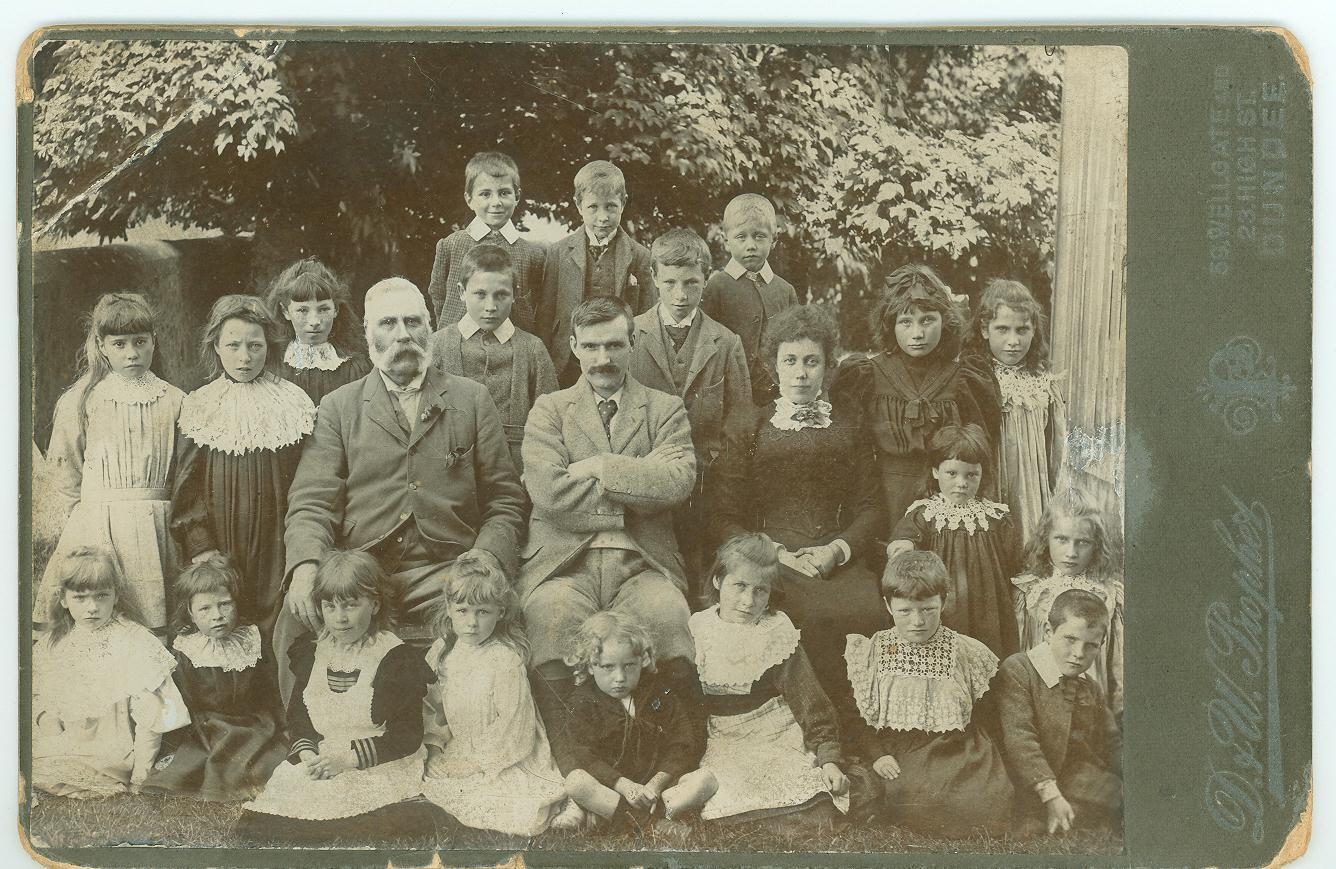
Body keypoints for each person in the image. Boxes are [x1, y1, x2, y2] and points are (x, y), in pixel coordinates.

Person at [277, 276, 525, 704]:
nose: (403, 334)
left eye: (413, 322)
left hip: (448, 565)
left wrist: (485, 558)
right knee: (295, 617)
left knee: (510, 616)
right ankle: (306, 737)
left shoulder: (471, 398)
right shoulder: (340, 406)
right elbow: (311, 501)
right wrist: (305, 566)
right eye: (388, 323)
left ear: (430, 328)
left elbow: (505, 498)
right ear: (368, 334)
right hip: (364, 569)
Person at [709, 304, 887, 707]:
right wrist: (776, 556)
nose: (801, 373)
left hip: (834, 554)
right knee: (800, 616)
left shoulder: (849, 420)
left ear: (827, 366)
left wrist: (836, 551)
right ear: (773, 366)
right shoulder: (749, 424)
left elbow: (872, 507)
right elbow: (723, 516)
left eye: (812, 361)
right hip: (771, 558)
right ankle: (806, 724)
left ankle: (860, 728)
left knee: (867, 610)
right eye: (790, 361)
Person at [520, 295, 697, 693]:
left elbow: (678, 482)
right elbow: (548, 492)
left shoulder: (664, 409)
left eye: (615, 345)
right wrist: (640, 480)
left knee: (668, 615)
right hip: (563, 565)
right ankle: (574, 751)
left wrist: (599, 466)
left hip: (643, 563)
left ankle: (667, 743)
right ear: (574, 347)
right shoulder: (549, 409)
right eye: (591, 346)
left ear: (632, 344)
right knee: (546, 619)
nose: (603, 358)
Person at [237, 550, 436, 844]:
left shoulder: (394, 658)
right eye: (329, 606)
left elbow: (406, 735)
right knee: (267, 822)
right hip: (323, 754)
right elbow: (299, 714)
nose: (339, 619)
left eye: (351, 606)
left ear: (375, 604)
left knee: (354, 824)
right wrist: (308, 755)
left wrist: (346, 761)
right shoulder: (313, 652)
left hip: (377, 760)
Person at [691, 534, 868, 827]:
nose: (748, 601)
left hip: (774, 732)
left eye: (760, 591)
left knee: (812, 801)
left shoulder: (775, 632)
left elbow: (810, 700)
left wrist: (828, 757)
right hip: (724, 737)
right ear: (717, 582)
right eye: (740, 586)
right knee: (727, 794)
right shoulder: (699, 627)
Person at [34, 292, 185, 634]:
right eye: (119, 344)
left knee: (152, 627)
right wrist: (84, 517)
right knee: (97, 620)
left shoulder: (175, 400)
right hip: (97, 525)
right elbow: (65, 469)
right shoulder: (82, 399)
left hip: (155, 526)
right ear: (102, 346)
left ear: (153, 341)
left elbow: (183, 469)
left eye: (140, 342)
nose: (131, 353)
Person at [172, 295, 316, 635]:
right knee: (227, 614)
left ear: (270, 346)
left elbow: (308, 478)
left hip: (277, 538)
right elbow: (187, 486)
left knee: (278, 621)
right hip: (220, 541)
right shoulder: (201, 404)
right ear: (216, 347)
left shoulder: (292, 401)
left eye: (255, 345)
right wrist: (201, 544)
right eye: (233, 345)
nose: (245, 357)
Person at [843, 550, 1013, 836]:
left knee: (988, 796)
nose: (917, 621)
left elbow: (987, 711)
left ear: (943, 602)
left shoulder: (965, 650)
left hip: (956, 746)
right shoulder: (876, 650)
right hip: (901, 749)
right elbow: (857, 713)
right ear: (888, 606)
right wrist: (877, 755)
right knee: (911, 793)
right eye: (905, 611)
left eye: (927, 610)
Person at [628, 228, 751, 588]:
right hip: (647, 479)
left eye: (691, 283)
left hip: (705, 483)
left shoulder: (726, 342)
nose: (680, 295)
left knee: (703, 574)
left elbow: (740, 421)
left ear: (705, 279)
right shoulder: (630, 336)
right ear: (653, 279)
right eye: (670, 283)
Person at [420, 555, 572, 836]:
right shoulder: (442, 653)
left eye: (482, 612)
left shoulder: (505, 659)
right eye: (463, 610)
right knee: (437, 781)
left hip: (506, 752)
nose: (472, 623)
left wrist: (476, 763)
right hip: (459, 744)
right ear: (449, 609)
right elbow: (433, 710)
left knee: (507, 804)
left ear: (500, 612)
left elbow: (515, 727)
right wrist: (434, 749)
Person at [836, 263, 996, 526]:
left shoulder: (966, 378)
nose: (917, 334)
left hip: (946, 499)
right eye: (906, 322)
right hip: (884, 498)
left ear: (944, 321)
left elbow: (979, 449)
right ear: (890, 325)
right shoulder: (866, 375)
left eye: (927, 320)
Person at [32, 546, 190, 798]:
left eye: (101, 596)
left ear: (116, 596)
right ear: (63, 599)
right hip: (66, 735)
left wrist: (141, 772)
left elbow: (150, 711)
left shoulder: (134, 639)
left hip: (114, 744)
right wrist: (48, 721)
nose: (92, 607)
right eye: (80, 598)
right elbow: (40, 694)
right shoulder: (57, 640)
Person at [141, 555, 286, 801]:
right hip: (208, 726)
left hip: (252, 721)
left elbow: (271, 690)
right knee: (201, 759)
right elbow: (182, 701)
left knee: (269, 758)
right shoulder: (187, 651)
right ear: (191, 612)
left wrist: (281, 724)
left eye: (225, 604)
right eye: (205, 608)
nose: (217, 615)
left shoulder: (252, 640)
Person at [554, 611, 715, 830]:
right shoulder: (582, 702)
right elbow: (585, 756)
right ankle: (652, 825)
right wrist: (625, 786)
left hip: (656, 789)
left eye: (629, 665)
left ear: (643, 660)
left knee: (706, 780)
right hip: (614, 788)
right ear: (591, 666)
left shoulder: (660, 692)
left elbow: (682, 742)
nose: (619, 677)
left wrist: (654, 786)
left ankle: (618, 818)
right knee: (577, 782)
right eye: (608, 667)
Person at [886, 423, 1021, 658]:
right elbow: (905, 541)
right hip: (944, 607)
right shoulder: (925, 514)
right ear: (935, 471)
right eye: (952, 473)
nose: (962, 483)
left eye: (971, 475)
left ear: (982, 475)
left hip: (988, 606)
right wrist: (904, 547)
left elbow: (1013, 561)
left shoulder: (996, 517)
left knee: (986, 655)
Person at [996, 589, 1123, 835]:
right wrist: (1051, 795)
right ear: (1047, 632)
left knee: (1123, 795)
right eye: (1070, 639)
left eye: (1091, 646)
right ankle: (1049, 812)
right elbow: (1020, 740)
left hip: (1074, 774)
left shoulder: (1090, 686)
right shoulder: (1019, 670)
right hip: (1029, 778)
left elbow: (1111, 742)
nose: (1078, 654)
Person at [428, 243, 558, 474]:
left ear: (515, 294)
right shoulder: (437, 346)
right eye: (480, 294)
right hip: (450, 473)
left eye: (501, 295)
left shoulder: (532, 349)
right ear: (461, 292)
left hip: (516, 473)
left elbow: (550, 425)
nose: (491, 306)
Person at [961, 279, 1068, 544]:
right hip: (991, 479)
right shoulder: (975, 377)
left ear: (1034, 331)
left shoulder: (1043, 383)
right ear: (985, 330)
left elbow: (1055, 445)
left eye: (1022, 330)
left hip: (1032, 484)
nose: (1013, 341)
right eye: (1002, 329)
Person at [543, 160, 657, 387]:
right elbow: (546, 313)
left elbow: (648, 318)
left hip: (617, 360)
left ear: (623, 204)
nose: (603, 217)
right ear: (578, 205)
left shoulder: (640, 256)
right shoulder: (558, 253)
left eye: (611, 207)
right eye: (593, 207)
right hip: (568, 360)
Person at [1012, 488, 1124, 717]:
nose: (1071, 552)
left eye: (1082, 542)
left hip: (1091, 706)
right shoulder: (1029, 592)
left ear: (1096, 545)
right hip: (1041, 703)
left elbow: (1119, 667)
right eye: (1062, 540)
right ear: (1046, 539)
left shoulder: (1108, 593)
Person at [428, 151, 546, 333]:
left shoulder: (532, 254)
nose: (496, 202)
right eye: (485, 194)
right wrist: (446, 332)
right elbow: (438, 294)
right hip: (458, 346)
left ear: (517, 196)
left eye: (504, 193)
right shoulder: (450, 245)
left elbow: (537, 304)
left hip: (510, 350)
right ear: (469, 199)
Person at [701, 193, 799, 405]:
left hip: (777, 396)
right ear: (726, 241)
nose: (751, 245)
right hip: (728, 394)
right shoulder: (716, 287)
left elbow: (796, 344)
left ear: (774, 238)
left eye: (759, 236)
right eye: (741, 237)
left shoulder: (785, 290)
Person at [266, 257, 373, 408]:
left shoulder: (355, 367)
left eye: (323, 309)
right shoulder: (272, 365)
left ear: (336, 309)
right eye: (302, 310)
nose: (314, 321)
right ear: (285, 311)